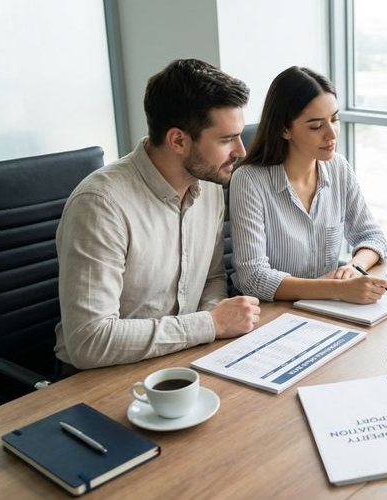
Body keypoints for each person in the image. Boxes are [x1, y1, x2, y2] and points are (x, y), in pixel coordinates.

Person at [55, 59, 262, 370]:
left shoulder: (209, 187)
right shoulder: (100, 205)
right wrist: (209, 324)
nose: (241, 151)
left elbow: (212, 277)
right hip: (99, 376)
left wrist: (211, 327)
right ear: (178, 140)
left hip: (180, 358)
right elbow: (89, 340)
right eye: (225, 139)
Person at [230, 66, 387, 304]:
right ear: (285, 129)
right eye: (316, 126)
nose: (331, 134)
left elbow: (372, 236)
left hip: (328, 307)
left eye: (334, 119)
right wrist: (336, 289)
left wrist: (354, 268)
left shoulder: (338, 168)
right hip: (275, 314)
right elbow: (253, 278)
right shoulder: (249, 180)